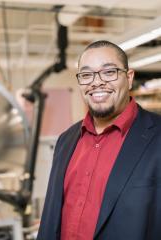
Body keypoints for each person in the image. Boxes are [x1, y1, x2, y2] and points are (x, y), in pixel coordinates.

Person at [37, 40, 161, 240]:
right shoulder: (65, 140)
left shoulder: (157, 137)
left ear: (129, 78)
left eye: (109, 72)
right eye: (86, 75)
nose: (97, 82)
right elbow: (51, 217)